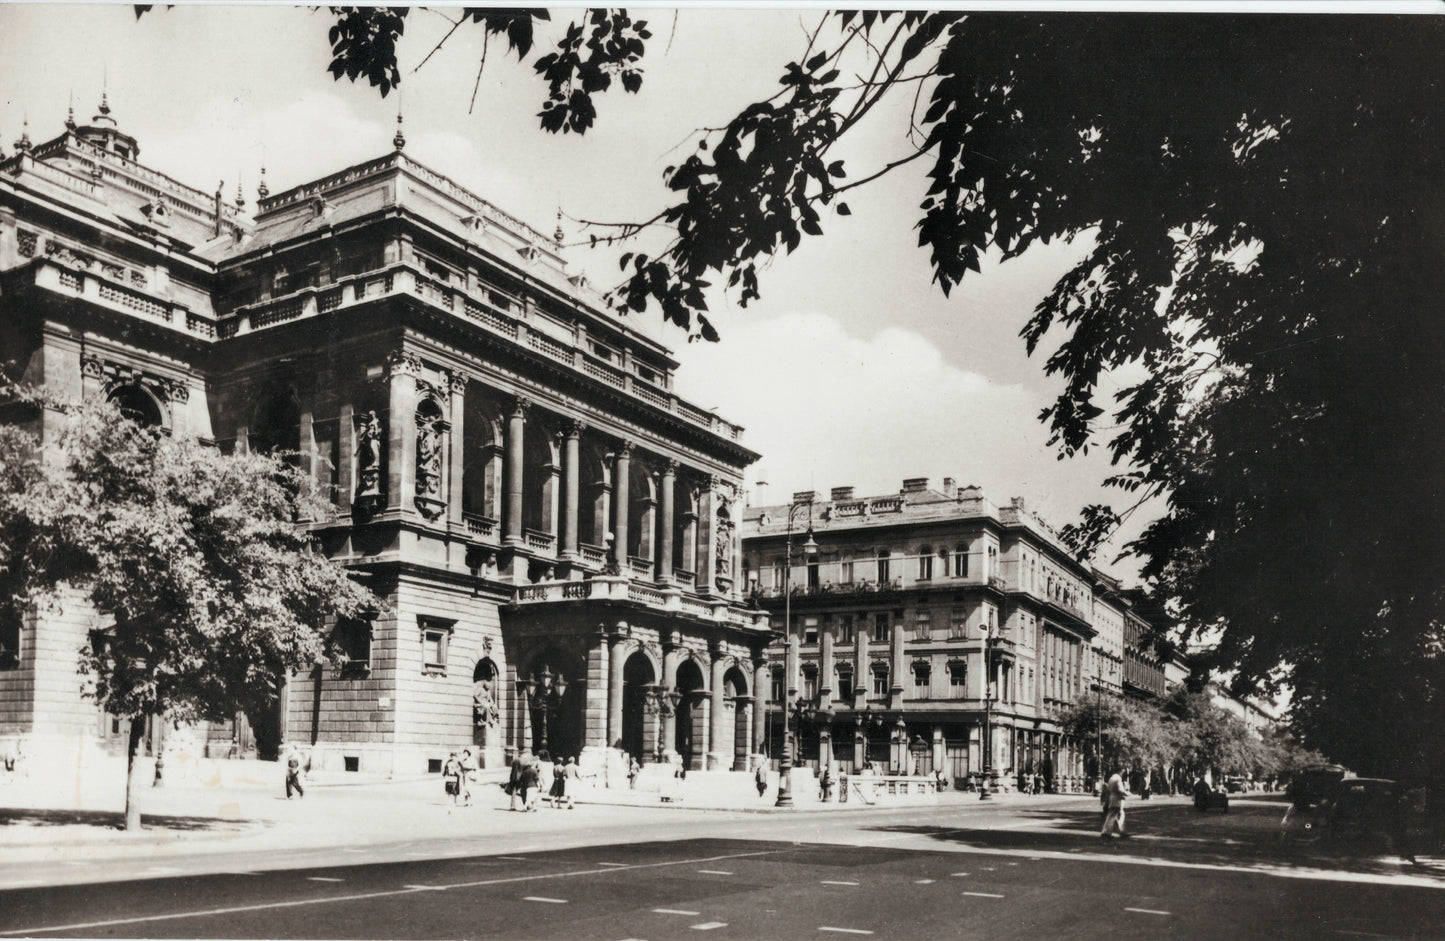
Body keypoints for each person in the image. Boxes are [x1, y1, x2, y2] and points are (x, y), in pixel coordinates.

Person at [1101, 773, 1128, 839]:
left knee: (1119, 815)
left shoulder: (1111, 778)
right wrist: (1127, 794)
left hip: (1112, 798)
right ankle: (1106, 833)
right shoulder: (1117, 779)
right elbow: (1120, 790)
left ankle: (1122, 831)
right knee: (1112, 816)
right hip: (1117, 799)